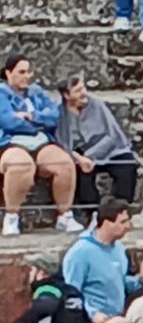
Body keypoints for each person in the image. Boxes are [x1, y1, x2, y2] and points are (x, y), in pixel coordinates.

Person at [63, 198, 143, 323]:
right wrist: (92, 314)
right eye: (123, 221)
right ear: (106, 223)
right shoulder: (80, 253)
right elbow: (71, 293)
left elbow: (120, 282)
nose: (129, 226)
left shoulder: (119, 249)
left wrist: (140, 279)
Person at [2, 55, 83, 238]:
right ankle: (11, 216)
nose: (26, 76)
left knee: (64, 163)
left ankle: (65, 215)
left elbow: (54, 116)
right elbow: (8, 122)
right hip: (9, 141)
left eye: (28, 72)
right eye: (21, 72)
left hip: (40, 140)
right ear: (9, 73)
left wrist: (32, 117)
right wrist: (37, 121)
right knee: (21, 166)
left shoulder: (36, 92)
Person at [56, 76, 141, 211]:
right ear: (66, 95)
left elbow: (112, 136)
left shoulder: (97, 106)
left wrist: (90, 155)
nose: (83, 93)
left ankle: (121, 211)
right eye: (77, 91)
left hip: (109, 150)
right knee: (81, 173)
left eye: (83, 88)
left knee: (127, 166)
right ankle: (92, 215)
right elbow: (61, 143)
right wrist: (79, 158)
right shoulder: (59, 112)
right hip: (80, 154)